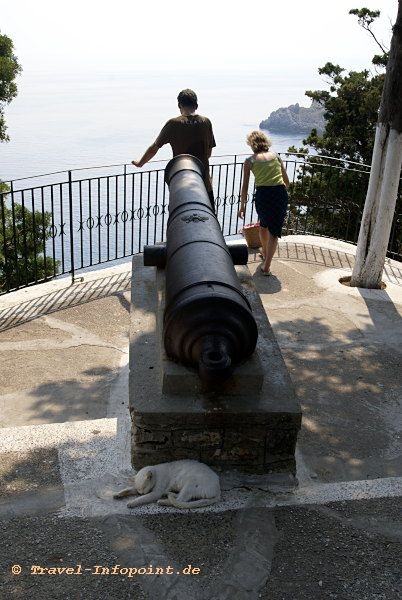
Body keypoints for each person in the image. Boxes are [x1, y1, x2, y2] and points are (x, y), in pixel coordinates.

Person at [131, 89, 216, 211]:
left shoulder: (173, 124)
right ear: (196, 105)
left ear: (179, 105)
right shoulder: (206, 122)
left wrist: (140, 163)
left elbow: (154, 148)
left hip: (182, 184)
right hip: (204, 182)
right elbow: (208, 153)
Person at [238, 130, 289, 275]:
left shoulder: (250, 161)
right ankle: (266, 257)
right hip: (279, 193)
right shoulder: (276, 157)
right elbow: (287, 181)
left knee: (263, 225)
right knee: (274, 231)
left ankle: (266, 263)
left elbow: (245, 186)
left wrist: (242, 206)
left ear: (252, 144)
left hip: (263, 195)